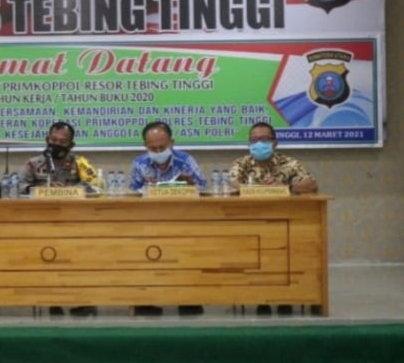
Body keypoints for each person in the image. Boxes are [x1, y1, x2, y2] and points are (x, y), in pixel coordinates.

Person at [229, 121, 318, 316]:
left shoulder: (289, 163)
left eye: (264, 139)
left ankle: (287, 297)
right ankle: (262, 298)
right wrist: (260, 189)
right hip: (251, 222)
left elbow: (311, 185)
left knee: (292, 250)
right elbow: (233, 184)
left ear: (275, 143)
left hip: (286, 222)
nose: (258, 144)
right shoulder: (242, 163)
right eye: (254, 140)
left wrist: (285, 187)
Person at [19, 121, 99, 317]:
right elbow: (19, 189)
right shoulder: (33, 163)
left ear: (71, 144)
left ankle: (80, 301)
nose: (56, 144)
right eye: (53, 140)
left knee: (79, 258)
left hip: (74, 223)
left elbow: (95, 188)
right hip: (39, 224)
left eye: (62, 142)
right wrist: (42, 190)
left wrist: (69, 190)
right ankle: (52, 300)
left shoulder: (80, 163)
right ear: (47, 140)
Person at [128, 121, 207, 317]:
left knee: (185, 258)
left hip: (183, 220)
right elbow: (130, 195)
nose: (158, 151)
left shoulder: (186, 161)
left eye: (162, 147)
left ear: (172, 142)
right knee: (145, 257)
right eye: (152, 148)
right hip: (148, 222)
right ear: (145, 146)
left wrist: (191, 184)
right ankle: (147, 301)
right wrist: (145, 188)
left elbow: (204, 190)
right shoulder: (139, 163)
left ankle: (188, 300)